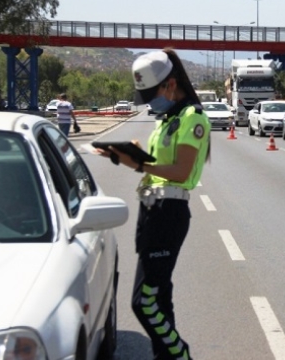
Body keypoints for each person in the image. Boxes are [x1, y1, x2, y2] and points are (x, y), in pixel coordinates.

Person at [97, 49, 210, 360]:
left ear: (170, 85)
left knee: (143, 303)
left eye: (151, 94)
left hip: (169, 212)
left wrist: (138, 165)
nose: (148, 102)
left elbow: (181, 172)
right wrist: (130, 153)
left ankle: (179, 354)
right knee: (160, 298)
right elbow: (160, 163)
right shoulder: (167, 118)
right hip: (152, 211)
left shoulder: (192, 118)